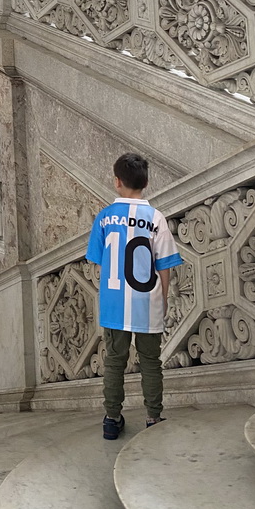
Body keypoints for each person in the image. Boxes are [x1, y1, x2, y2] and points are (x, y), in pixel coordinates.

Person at [85, 152, 183, 440]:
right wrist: (162, 299)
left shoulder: (104, 218)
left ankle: (112, 419)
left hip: (114, 302)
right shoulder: (156, 218)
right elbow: (164, 265)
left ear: (117, 182)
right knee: (151, 361)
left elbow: (100, 260)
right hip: (147, 301)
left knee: (114, 361)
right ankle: (153, 417)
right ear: (147, 182)